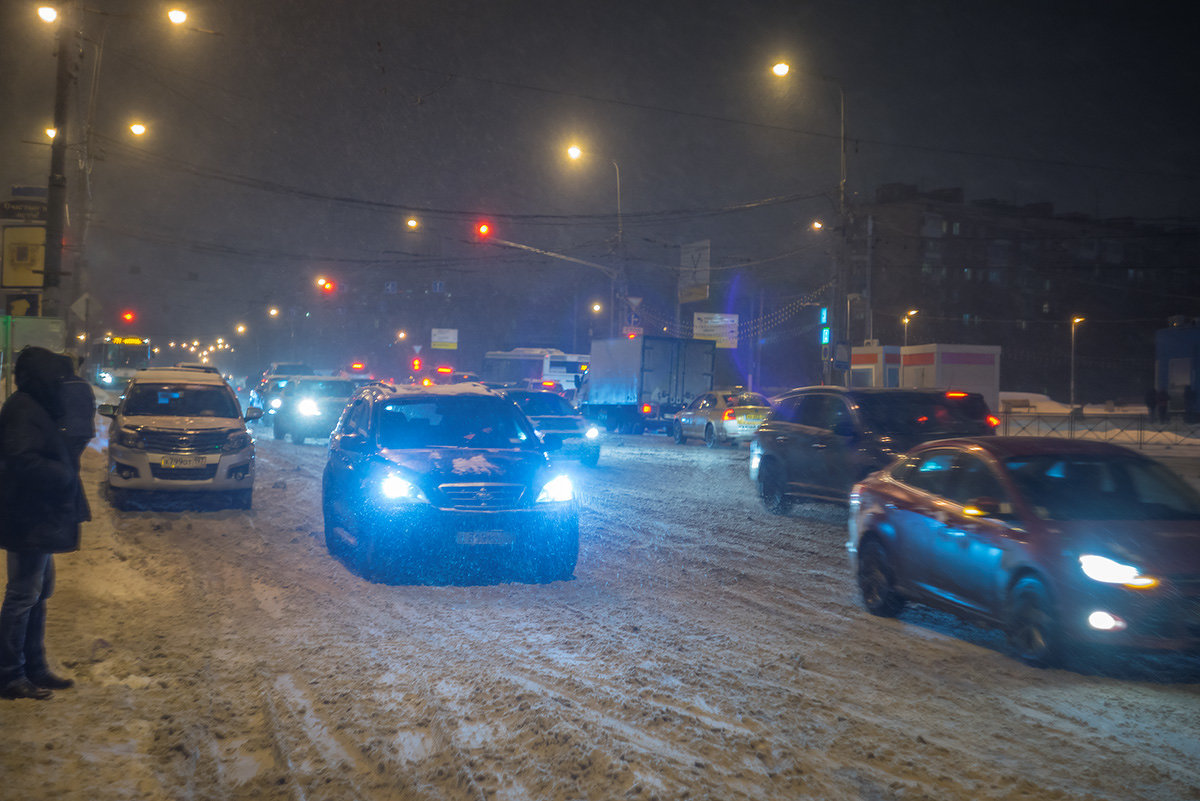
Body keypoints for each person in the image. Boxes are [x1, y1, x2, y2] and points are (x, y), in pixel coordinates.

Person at [0, 346, 89, 700]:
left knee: (38, 595)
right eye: (56, 377)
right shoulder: (22, 410)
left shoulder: (35, 406)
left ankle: (34, 667)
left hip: (38, 516)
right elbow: (21, 459)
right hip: (26, 517)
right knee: (22, 596)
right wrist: (63, 473)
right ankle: (9, 674)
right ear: (41, 378)